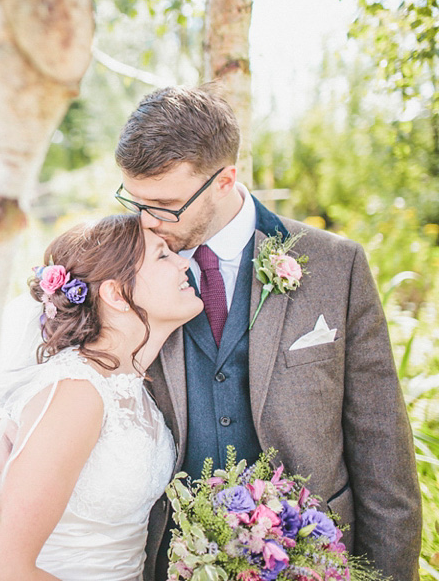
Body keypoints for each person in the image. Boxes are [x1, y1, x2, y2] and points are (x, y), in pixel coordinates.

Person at [112, 86, 422, 580]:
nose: (147, 221)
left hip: (313, 558)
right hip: (164, 562)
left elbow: (381, 447)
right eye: (135, 200)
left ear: (224, 180)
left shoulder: (335, 265)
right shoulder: (119, 265)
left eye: (166, 205)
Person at [0, 214, 203, 580]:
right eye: (163, 256)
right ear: (116, 294)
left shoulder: (132, 387)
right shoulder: (77, 392)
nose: (185, 261)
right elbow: (4, 567)